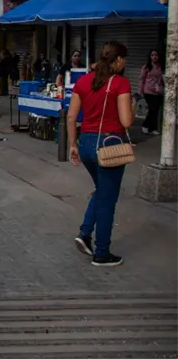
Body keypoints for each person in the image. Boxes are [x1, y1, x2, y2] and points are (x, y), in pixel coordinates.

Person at [67, 41, 133, 267]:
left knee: (102, 190)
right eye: (124, 59)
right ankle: (102, 253)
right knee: (107, 199)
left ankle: (85, 234)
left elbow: (71, 116)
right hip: (109, 144)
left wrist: (73, 144)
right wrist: (131, 104)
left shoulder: (84, 81)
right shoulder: (121, 83)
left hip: (85, 143)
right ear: (119, 60)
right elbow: (126, 121)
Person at [139, 49, 164, 135]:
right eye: (152, 55)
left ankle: (153, 128)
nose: (154, 57)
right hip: (148, 91)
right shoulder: (146, 67)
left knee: (155, 110)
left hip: (157, 91)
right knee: (152, 109)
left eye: (156, 55)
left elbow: (161, 78)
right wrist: (140, 91)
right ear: (150, 57)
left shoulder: (160, 66)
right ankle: (145, 125)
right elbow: (142, 79)